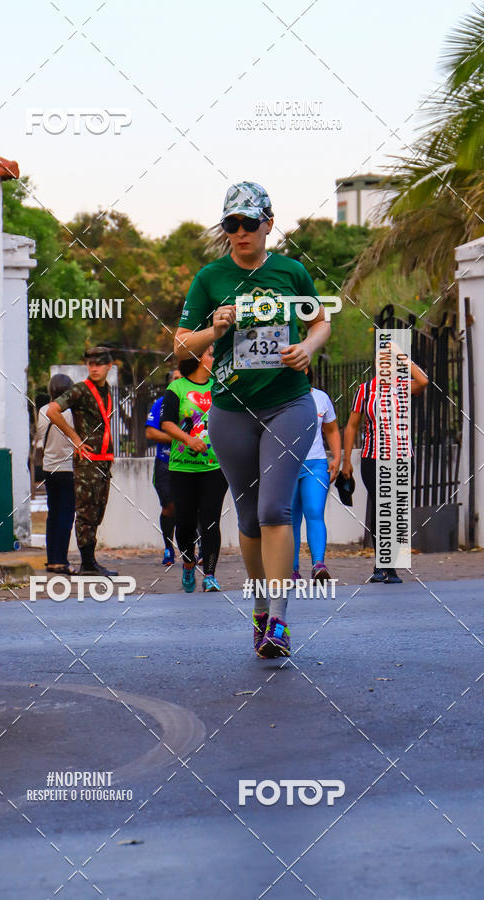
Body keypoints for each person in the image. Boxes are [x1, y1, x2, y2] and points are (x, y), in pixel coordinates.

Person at [174, 181, 331, 657]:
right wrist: (212, 329)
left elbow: (321, 320)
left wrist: (307, 347)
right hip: (231, 411)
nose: (240, 233)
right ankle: (260, 610)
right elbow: (180, 346)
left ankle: (280, 621)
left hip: (289, 403)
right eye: (231, 225)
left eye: (248, 223)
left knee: (274, 510)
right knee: (247, 515)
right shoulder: (210, 278)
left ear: (268, 222)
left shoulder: (292, 272)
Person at [342, 345, 428, 584]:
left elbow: (424, 381)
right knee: (381, 507)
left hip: (402, 457)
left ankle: (390, 568)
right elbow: (351, 426)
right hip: (373, 457)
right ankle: (383, 564)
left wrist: (401, 354)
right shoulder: (365, 390)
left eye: (391, 361)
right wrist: (346, 461)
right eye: (382, 361)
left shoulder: (403, 387)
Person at [160, 347, 229, 593]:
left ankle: (210, 574)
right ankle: (189, 563)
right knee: (185, 522)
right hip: (182, 468)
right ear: (199, 359)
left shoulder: (220, 386)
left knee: (211, 521)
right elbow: (166, 422)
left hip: (215, 467)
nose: (215, 357)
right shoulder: (176, 388)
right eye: (211, 354)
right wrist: (188, 440)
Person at [46, 347, 118, 577]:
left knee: (98, 510)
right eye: (90, 364)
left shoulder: (106, 390)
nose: (94, 368)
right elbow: (52, 411)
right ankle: (87, 563)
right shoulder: (80, 390)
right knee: (86, 511)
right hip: (88, 461)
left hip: (103, 459)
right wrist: (76, 439)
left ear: (109, 366)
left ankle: (91, 561)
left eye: (98, 364)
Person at [291, 368, 341, 583]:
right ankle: (290, 569)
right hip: (287, 465)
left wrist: (337, 457)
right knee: (289, 519)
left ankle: (318, 564)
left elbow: (331, 430)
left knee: (314, 511)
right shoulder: (280, 399)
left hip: (317, 464)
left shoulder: (321, 398)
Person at [35, 374, 77, 574]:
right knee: (66, 515)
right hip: (67, 469)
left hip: (48, 468)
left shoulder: (42, 411)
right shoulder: (71, 413)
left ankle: (52, 560)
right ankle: (61, 561)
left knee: (53, 514)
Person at [145, 369, 181, 566]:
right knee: (169, 507)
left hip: (192, 463)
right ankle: (168, 547)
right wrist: (180, 438)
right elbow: (151, 433)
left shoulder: (195, 402)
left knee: (196, 508)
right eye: (175, 378)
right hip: (165, 463)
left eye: (182, 378)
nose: (179, 381)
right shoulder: (161, 404)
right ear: (169, 383)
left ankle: (199, 549)